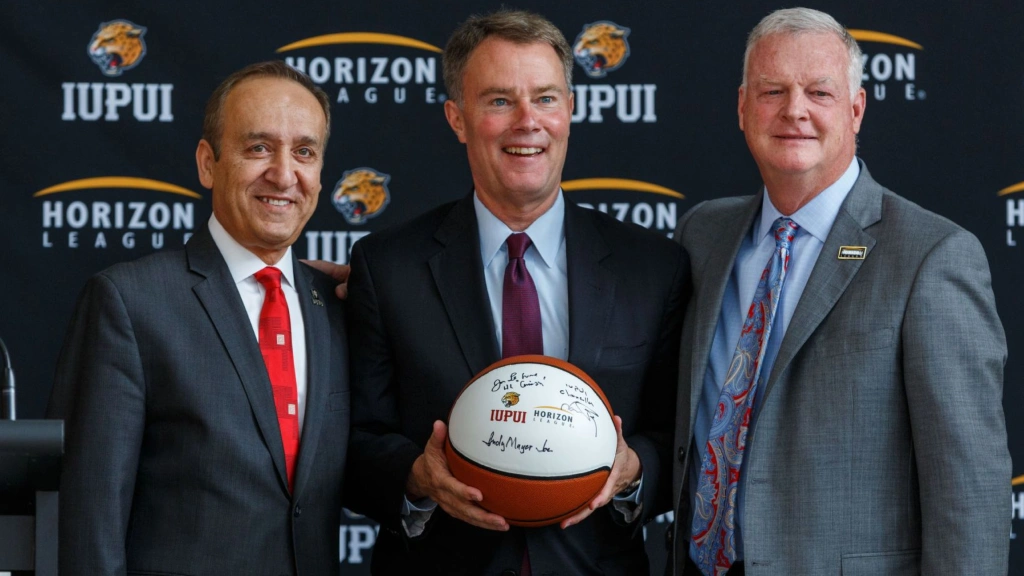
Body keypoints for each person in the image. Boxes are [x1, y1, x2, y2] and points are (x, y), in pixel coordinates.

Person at [341, 9, 687, 575]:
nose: (528, 121)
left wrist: (633, 469)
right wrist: (415, 476)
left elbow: (682, 438)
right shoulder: (389, 267)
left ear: (571, 110)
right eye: (499, 101)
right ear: (457, 117)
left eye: (546, 98)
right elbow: (351, 443)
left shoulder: (653, 267)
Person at [670, 7, 1010, 576]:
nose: (793, 110)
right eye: (771, 90)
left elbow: (969, 492)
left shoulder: (931, 256)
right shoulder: (703, 237)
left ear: (856, 110)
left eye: (819, 92)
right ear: (742, 108)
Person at [47, 61, 350, 576]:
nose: (284, 173)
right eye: (258, 148)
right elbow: (88, 520)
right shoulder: (130, 302)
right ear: (208, 163)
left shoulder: (340, 307)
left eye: (304, 152)